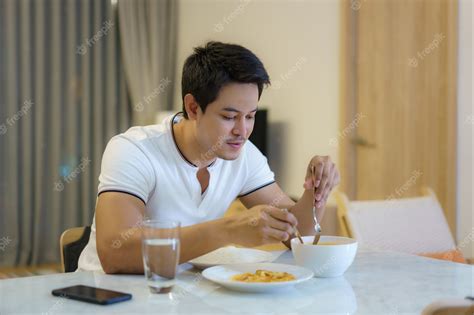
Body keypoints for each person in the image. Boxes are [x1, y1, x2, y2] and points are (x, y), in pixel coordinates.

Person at [78, 41, 340, 274]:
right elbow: (115, 253)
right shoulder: (134, 150)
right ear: (193, 107)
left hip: (183, 294)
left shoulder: (244, 155)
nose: (242, 131)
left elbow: (296, 235)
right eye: (229, 117)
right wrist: (229, 230)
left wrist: (316, 191)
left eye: (250, 116)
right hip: (108, 295)